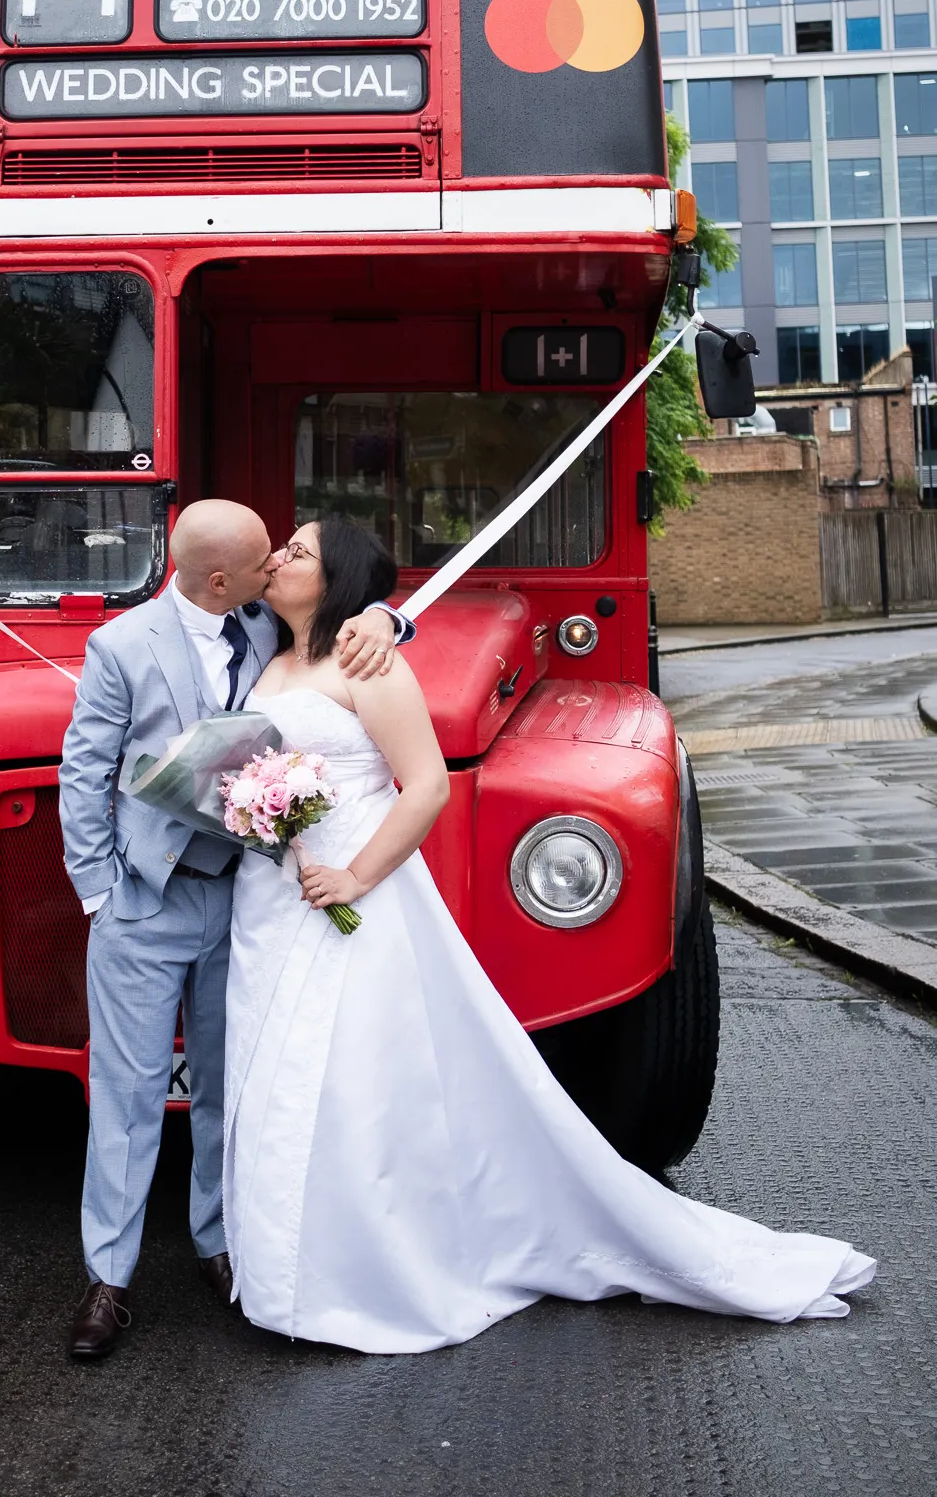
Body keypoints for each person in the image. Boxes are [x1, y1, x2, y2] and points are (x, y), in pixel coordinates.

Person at [223, 515, 876, 1354]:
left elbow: (422, 787)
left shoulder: (369, 661)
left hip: (353, 887)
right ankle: (284, 1263)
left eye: (298, 552)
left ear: (337, 577)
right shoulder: (262, 652)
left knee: (359, 1079)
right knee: (274, 1072)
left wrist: (354, 877)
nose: (277, 558)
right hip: (272, 898)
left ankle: (365, 1266)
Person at [57, 499, 412, 1359]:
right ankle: (109, 1279)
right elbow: (85, 768)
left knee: (228, 1086)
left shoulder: (263, 627)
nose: (273, 569)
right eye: (263, 561)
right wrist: (100, 894)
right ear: (220, 578)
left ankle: (219, 1247)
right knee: (130, 1096)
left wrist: (383, 613)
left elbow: (353, 632)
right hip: (143, 904)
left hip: (245, 904)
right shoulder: (121, 645)